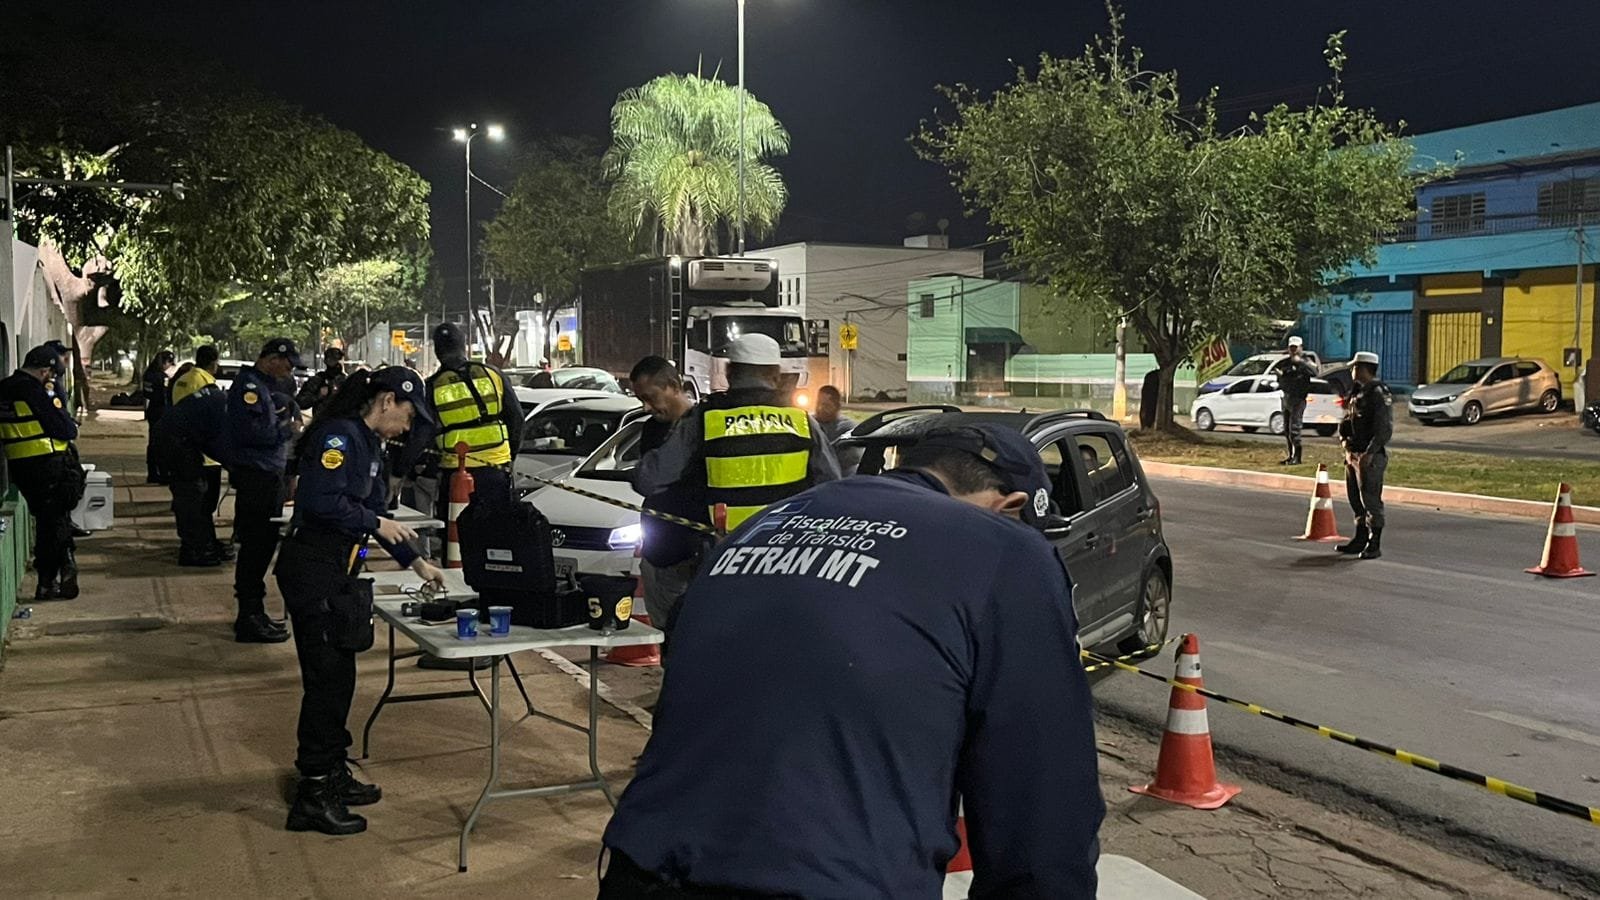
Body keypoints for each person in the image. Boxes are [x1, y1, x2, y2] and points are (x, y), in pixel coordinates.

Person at [600, 421, 1103, 898]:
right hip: (827, 883)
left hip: (641, 869)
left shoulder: (767, 524)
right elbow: (1041, 808)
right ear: (1010, 507)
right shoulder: (1005, 549)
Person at [276, 367, 444, 836]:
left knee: (341, 678)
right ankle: (313, 792)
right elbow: (320, 500)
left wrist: (417, 562)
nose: (407, 427)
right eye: (408, 415)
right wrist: (374, 523)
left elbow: (377, 512)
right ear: (387, 400)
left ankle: (332, 769)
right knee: (326, 682)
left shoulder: (368, 443)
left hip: (338, 571)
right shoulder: (339, 437)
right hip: (314, 568)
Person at [634, 333, 841, 535]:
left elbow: (649, 479)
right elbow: (831, 488)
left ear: (729, 372)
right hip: (785, 547)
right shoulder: (802, 421)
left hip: (726, 550)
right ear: (776, 375)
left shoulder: (705, 419)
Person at [224, 338, 303, 644]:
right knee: (256, 547)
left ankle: (254, 612)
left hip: (267, 475)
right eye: (287, 365)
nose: (289, 371)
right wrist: (287, 430)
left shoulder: (265, 387)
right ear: (272, 359)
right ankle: (249, 616)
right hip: (256, 476)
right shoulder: (249, 388)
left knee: (263, 545)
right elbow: (253, 433)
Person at [628, 356, 707, 648]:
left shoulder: (705, 426)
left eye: (650, 397)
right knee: (668, 639)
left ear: (673, 386)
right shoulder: (651, 429)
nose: (646, 407)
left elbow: (648, 479)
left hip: (698, 553)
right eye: (641, 400)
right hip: (660, 554)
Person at [0, 345, 85, 601]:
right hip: (48, 464)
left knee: (50, 520)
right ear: (44, 370)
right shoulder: (34, 391)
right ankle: (51, 577)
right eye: (51, 373)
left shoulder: (4, 388)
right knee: (54, 522)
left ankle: (60, 568)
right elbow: (64, 428)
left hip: (20, 468)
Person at [426, 322, 523, 518]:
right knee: (496, 529)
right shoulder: (493, 375)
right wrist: (509, 455)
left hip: (455, 471)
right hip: (495, 468)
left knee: (455, 529)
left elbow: (426, 431)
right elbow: (517, 419)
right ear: (463, 346)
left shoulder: (432, 386)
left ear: (437, 351)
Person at [158, 346, 231, 566]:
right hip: (187, 449)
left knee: (195, 502)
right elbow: (211, 435)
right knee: (196, 502)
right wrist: (230, 462)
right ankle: (195, 549)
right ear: (213, 362)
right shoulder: (209, 389)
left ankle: (205, 544)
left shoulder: (184, 379)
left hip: (179, 443)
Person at [1336, 351, 1392, 560]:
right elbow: (1347, 420)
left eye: (1355, 367)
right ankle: (1360, 538)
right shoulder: (1358, 391)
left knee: (1371, 501)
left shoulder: (1378, 393)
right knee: (1355, 499)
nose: (1352, 370)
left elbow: (1384, 429)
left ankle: (1373, 543)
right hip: (1353, 453)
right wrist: (1344, 440)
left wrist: (1369, 453)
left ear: (1363, 368)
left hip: (1369, 457)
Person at [1276, 336, 1317, 466]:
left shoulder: (1306, 361)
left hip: (1298, 398)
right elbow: (1281, 376)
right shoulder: (1286, 362)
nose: (1293, 350)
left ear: (1301, 348)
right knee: (1287, 430)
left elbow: (1315, 372)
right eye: (1291, 348)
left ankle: (1297, 457)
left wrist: (1300, 363)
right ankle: (1290, 455)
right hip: (1287, 397)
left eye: (1295, 348)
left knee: (1295, 429)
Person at [813, 384, 864, 476]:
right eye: (818, 403)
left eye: (826, 405)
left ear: (837, 407)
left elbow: (854, 457)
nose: (820, 408)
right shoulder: (810, 423)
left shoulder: (847, 428)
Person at [143, 349, 177, 484]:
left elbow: (146, 394)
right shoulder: (161, 377)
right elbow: (165, 395)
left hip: (152, 410)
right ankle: (162, 473)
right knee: (162, 444)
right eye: (169, 363)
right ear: (164, 362)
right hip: (161, 411)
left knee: (153, 443)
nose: (169, 366)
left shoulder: (148, 374)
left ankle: (152, 473)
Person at [296, 346, 348, 415]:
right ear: (326, 361)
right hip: (322, 419)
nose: (337, 363)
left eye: (338, 360)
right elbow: (301, 402)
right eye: (332, 360)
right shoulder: (318, 379)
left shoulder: (346, 381)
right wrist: (318, 396)